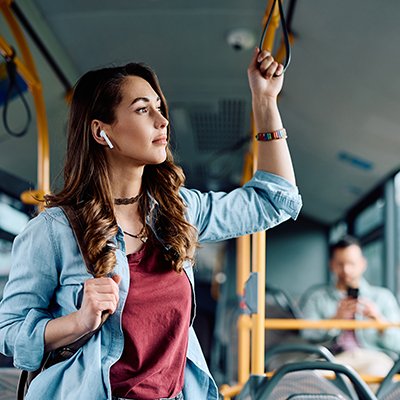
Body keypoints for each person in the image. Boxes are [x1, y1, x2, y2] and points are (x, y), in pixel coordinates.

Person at [0, 48, 302, 400]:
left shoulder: (179, 211)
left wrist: (265, 101)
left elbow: (272, 201)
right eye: (143, 109)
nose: (162, 121)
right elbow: (10, 331)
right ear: (102, 132)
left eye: (160, 108)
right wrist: (78, 322)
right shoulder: (54, 230)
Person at [301, 235, 400, 377]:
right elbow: (307, 335)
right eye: (340, 264)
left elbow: (398, 343)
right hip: (331, 359)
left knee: (378, 373)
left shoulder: (383, 297)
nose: (346, 270)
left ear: (363, 264)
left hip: (373, 358)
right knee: (310, 379)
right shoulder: (317, 297)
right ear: (331, 265)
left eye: (351, 264)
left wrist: (378, 320)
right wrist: (334, 320)